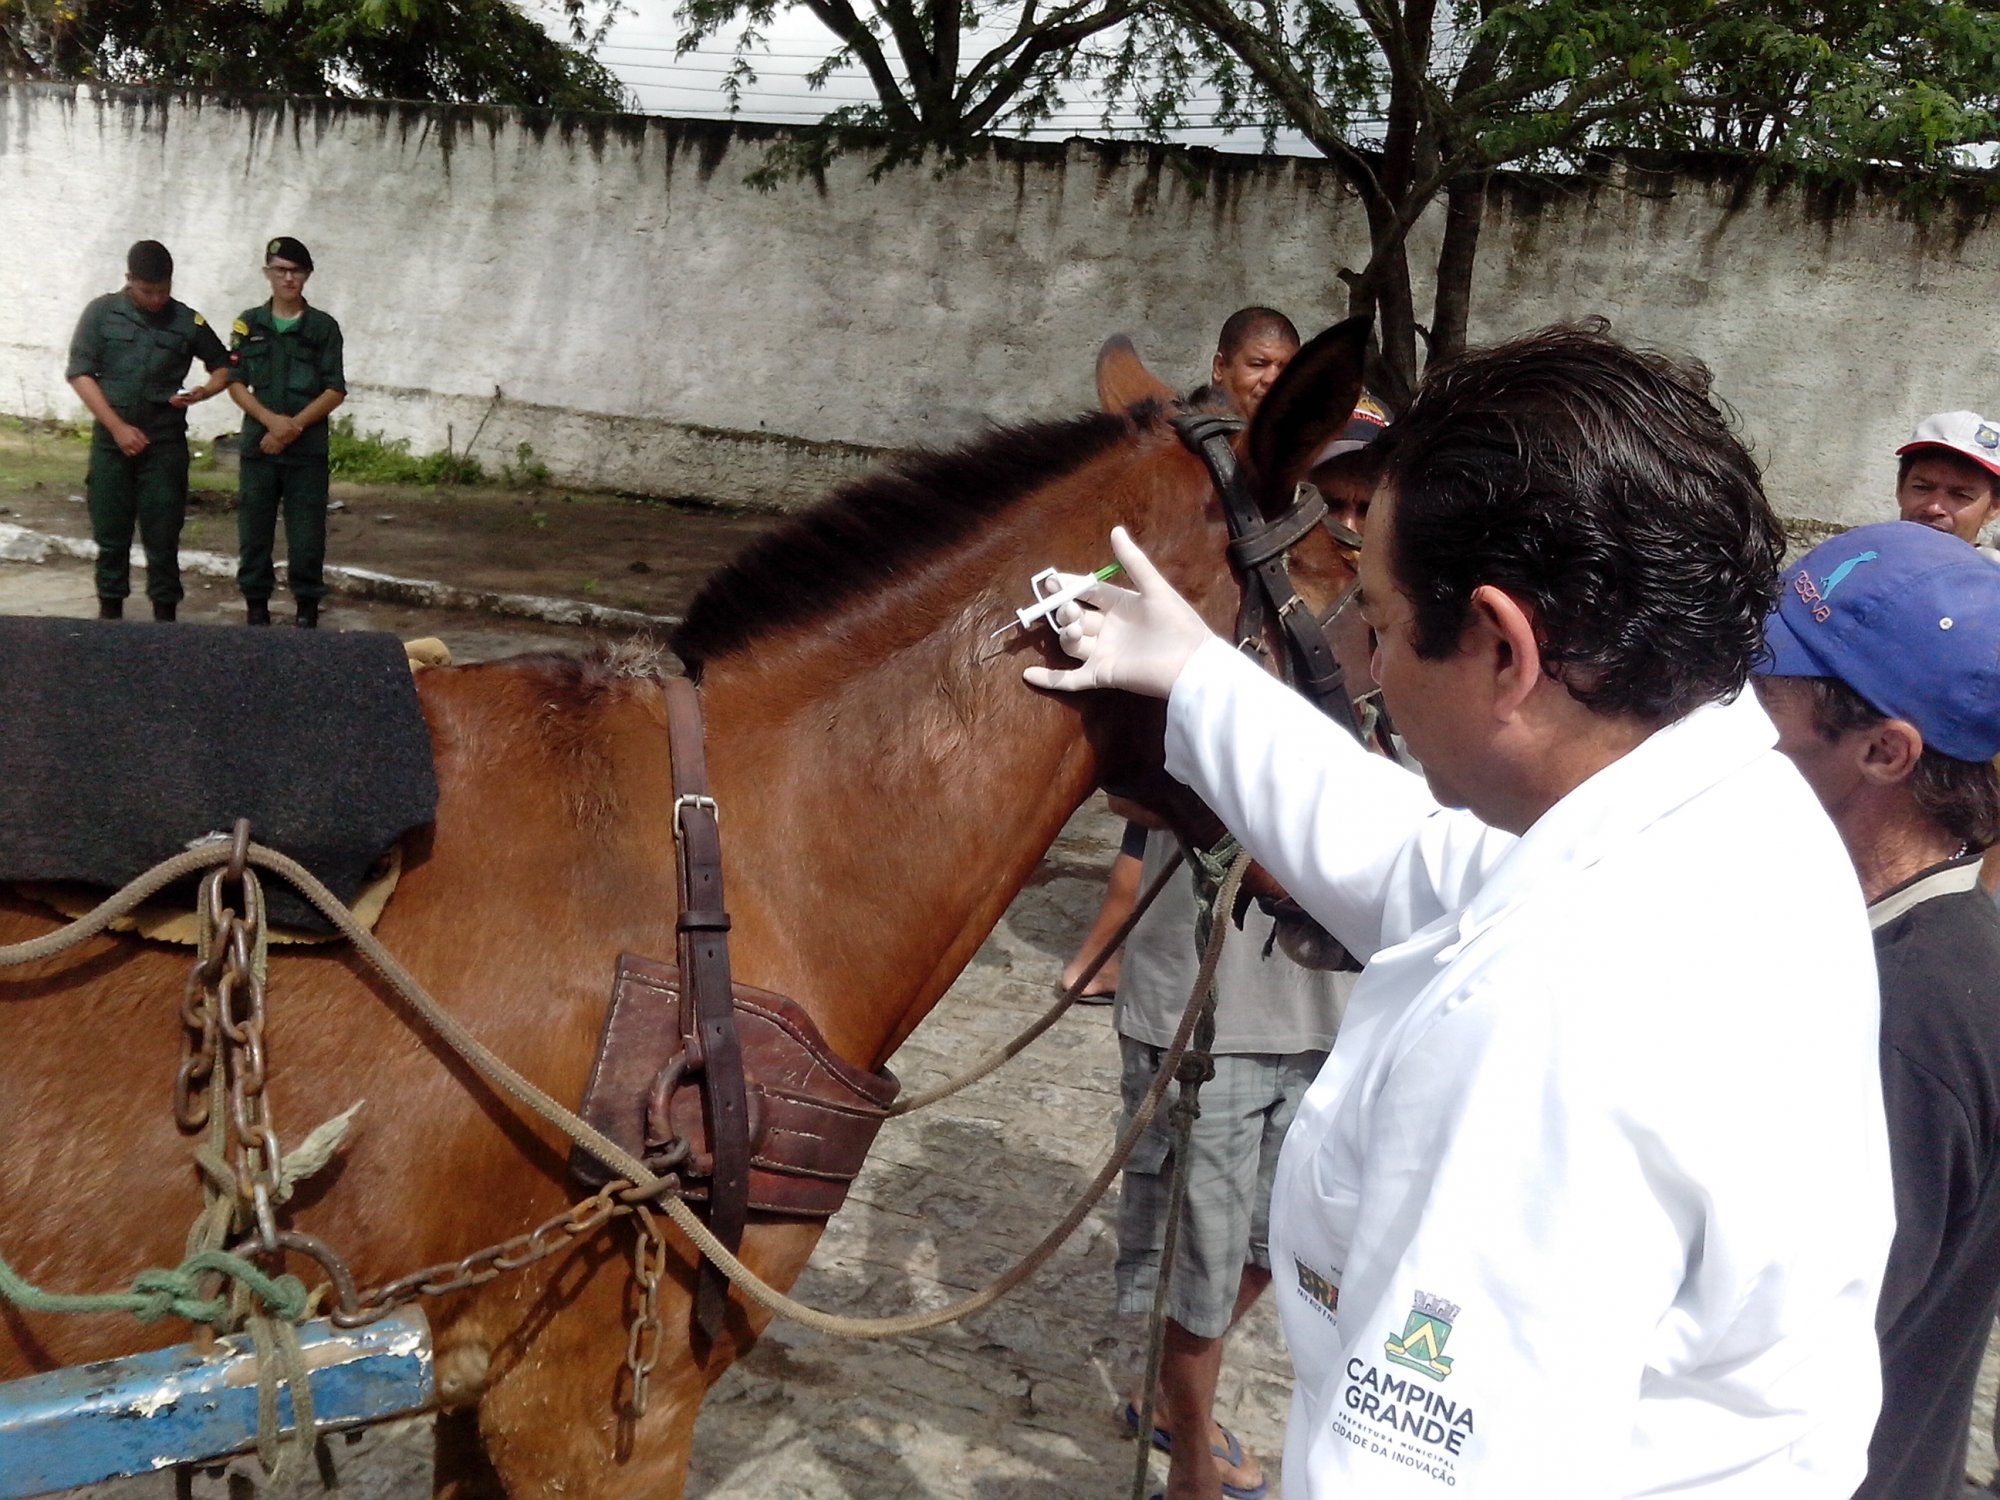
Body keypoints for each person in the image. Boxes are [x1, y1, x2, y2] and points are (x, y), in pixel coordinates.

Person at [1025, 324, 1893, 1495]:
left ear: (1501, 648)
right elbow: (1416, 863)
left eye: (1378, 626)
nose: (1370, 673)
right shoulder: (1723, 818)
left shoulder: (1552, 1022)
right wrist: (1199, 675)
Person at [1751, 522, 2000, 1500]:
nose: (1741, 720)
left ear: (1884, 752)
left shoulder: (1905, 1018)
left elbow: (1784, 1368)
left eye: (1769, 693)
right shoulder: (1897, 945)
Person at [1061, 311, 1305, 1001]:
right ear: (1221, 365)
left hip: (1218, 649)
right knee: (1159, 815)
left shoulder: (1272, 452)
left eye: (1284, 367)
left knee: (1161, 827)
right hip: (1167, 648)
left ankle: (1102, 961)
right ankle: (1103, 963)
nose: (1271, 379)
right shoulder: (1199, 445)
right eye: (1258, 364)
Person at [1112, 818, 1353, 1500]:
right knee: (1196, 1267)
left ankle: (1165, 1397)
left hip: (1341, 1010)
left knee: (1278, 1245)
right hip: (1203, 1009)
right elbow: (1127, 785)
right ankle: (1192, 1470)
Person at [64, 240, 231, 621]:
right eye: (147, 291)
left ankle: (165, 621)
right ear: (129, 280)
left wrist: (203, 391)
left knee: (163, 536)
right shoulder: (102, 314)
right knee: (111, 535)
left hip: (163, 445)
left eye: (163, 290)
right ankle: (110, 615)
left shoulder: (187, 321)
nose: (157, 299)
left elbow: (225, 365)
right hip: (112, 445)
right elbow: (80, 374)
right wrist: (118, 428)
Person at [226, 236, 346, 628]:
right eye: (280, 270)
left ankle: (306, 614)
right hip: (259, 448)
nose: (288, 278)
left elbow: (334, 389)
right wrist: (270, 422)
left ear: (307, 275)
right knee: (254, 535)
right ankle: (256, 611)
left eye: (295, 271)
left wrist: (291, 427)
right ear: (267, 273)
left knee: (307, 538)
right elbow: (236, 382)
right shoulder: (249, 323)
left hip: (306, 451)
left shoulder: (323, 328)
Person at [1894, 410, 2000, 559]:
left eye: (1961, 495)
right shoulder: (1857, 560)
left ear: (1994, 508)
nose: (1934, 508)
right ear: (1900, 488)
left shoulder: (1991, 579)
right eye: (1922, 488)